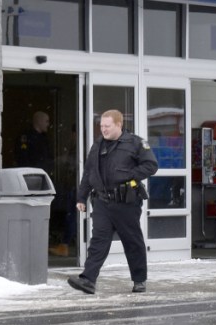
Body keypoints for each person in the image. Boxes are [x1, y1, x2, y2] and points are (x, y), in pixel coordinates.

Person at [67, 110, 158, 294]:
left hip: (126, 202)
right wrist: (81, 197)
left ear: (118, 124)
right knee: (98, 242)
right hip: (102, 202)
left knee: (132, 242)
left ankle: (139, 280)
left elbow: (151, 166)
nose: (103, 129)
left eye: (107, 126)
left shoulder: (135, 143)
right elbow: (89, 172)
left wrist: (130, 176)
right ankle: (88, 280)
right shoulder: (98, 145)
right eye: (101, 126)